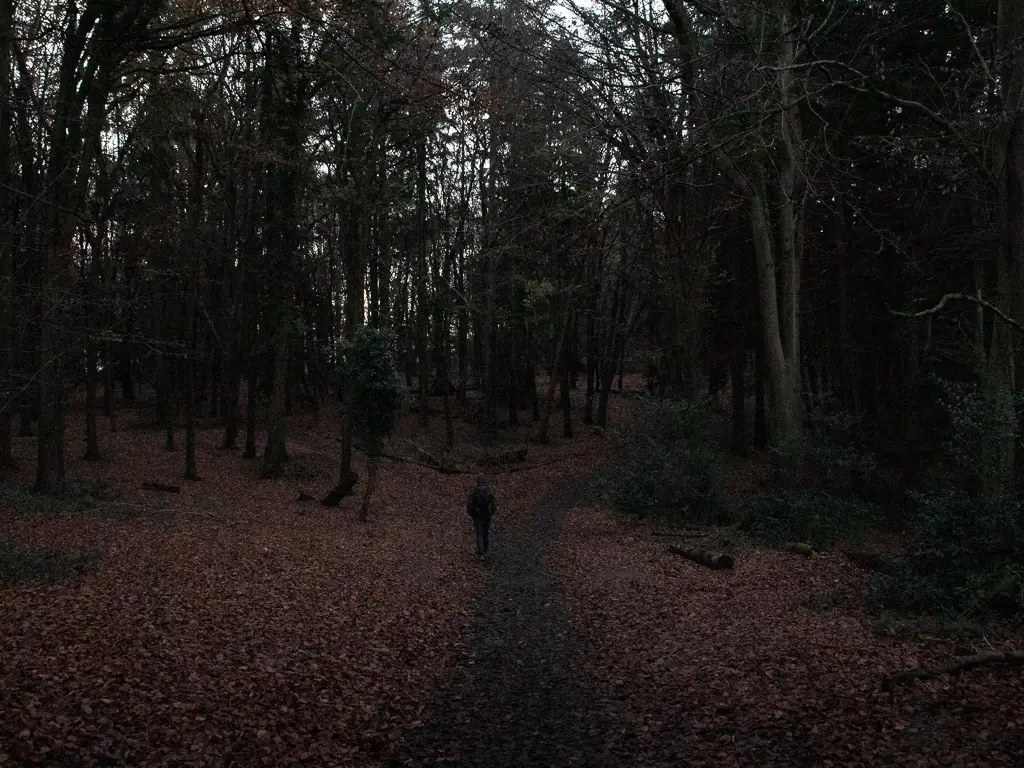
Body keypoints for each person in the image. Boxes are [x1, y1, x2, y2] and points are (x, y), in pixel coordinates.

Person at [466, 474, 496, 559]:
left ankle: (481, 553)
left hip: (477, 515)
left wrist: (471, 513)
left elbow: (469, 503)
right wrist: (492, 513)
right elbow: (494, 503)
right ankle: (486, 550)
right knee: (485, 532)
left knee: (479, 533)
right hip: (487, 515)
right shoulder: (489, 490)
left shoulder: (474, 491)